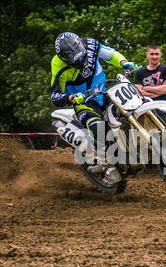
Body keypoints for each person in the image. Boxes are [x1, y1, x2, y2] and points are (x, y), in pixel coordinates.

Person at [50, 32, 137, 183]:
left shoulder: (90, 44)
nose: (81, 59)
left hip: (104, 93)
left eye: (82, 55)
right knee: (98, 127)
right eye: (74, 58)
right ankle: (107, 165)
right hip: (84, 102)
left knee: (131, 109)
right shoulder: (58, 65)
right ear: (64, 58)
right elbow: (55, 96)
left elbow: (110, 55)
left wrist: (124, 62)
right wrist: (71, 98)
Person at [134, 44, 166, 126]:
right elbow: (138, 93)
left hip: (163, 110)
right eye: (152, 54)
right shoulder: (140, 72)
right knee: (147, 137)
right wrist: (160, 91)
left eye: (157, 54)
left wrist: (146, 88)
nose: (154, 57)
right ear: (147, 55)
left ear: (160, 55)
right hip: (146, 111)